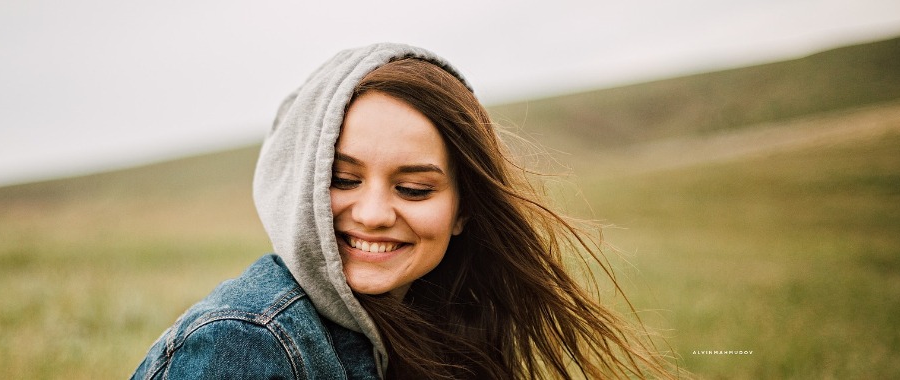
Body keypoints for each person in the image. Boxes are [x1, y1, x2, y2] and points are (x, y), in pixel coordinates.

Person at [131, 43, 672, 379]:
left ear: (464, 212)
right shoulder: (247, 343)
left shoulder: (445, 317)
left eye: (414, 189)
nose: (371, 213)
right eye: (343, 179)